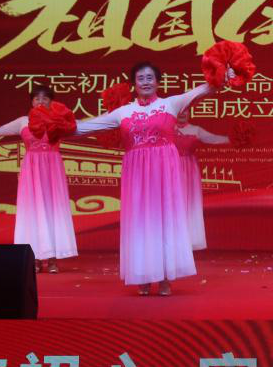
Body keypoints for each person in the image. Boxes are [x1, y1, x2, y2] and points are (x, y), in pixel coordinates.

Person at [72, 61, 231, 295]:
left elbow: (203, 90)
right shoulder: (123, 112)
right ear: (134, 84)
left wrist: (224, 75)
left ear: (157, 82)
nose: (145, 82)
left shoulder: (171, 104)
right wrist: (53, 125)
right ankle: (143, 275)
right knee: (139, 222)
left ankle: (165, 276)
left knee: (165, 220)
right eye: (140, 78)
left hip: (164, 172)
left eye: (149, 78)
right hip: (136, 174)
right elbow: (84, 128)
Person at [0, 86, 77, 274]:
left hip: (52, 169)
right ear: (31, 102)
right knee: (33, 212)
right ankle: (35, 258)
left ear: (51, 101)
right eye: (37, 98)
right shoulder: (23, 121)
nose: (41, 101)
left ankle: (52, 259)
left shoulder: (58, 119)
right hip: (32, 170)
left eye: (45, 98)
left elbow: (79, 127)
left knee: (51, 209)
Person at [173, 110, 229, 251]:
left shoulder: (196, 130)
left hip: (189, 169)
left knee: (190, 201)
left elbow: (213, 138)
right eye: (179, 111)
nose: (182, 114)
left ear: (189, 113)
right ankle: (172, 240)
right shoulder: (167, 129)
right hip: (171, 167)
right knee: (172, 202)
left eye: (185, 111)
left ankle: (189, 239)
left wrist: (232, 138)